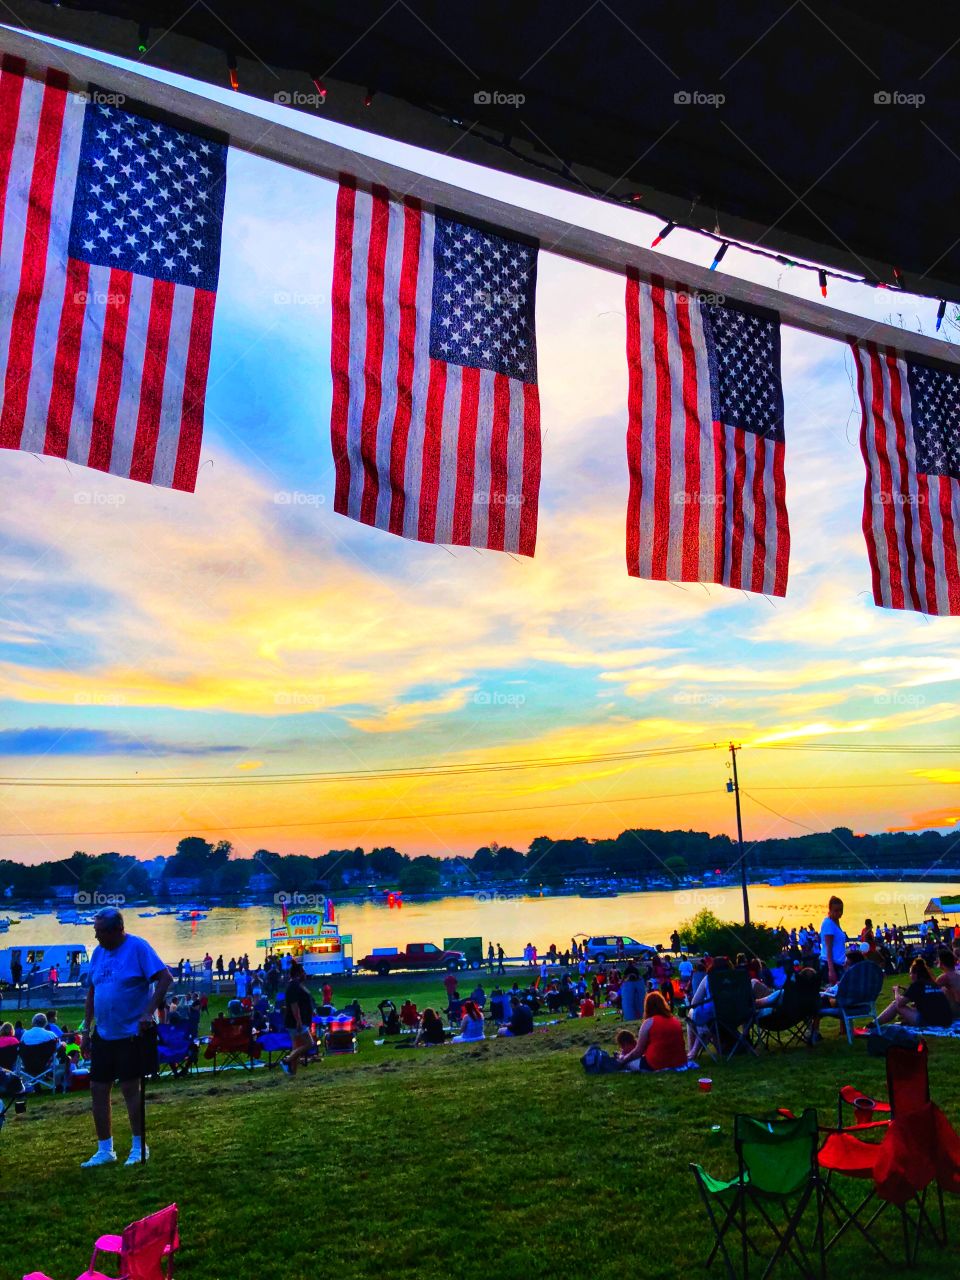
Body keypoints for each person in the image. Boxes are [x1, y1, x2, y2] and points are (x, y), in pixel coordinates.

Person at [80, 908, 172, 1167]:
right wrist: (86, 1029)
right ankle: (105, 1149)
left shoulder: (138, 948)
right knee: (98, 1088)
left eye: (99, 931)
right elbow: (92, 992)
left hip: (132, 1033)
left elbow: (165, 977)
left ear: (115, 930)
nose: (95, 936)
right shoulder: (98, 953)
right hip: (104, 1033)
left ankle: (138, 1145)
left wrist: (148, 1012)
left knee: (131, 1088)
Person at [618, 992, 687, 1071]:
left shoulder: (649, 1023)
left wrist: (624, 1060)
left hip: (657, 1063)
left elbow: (638, 1051)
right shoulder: (675, 1021)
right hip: (679, 1061)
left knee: (629, 1064)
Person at [877, 959, 954, 1028]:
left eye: (910, 973)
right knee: (912, 1008)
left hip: (930, 1022)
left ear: (915, 974)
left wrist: (896, 991)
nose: (910, 976)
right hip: (946, 1020)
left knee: (895, 1004)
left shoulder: (917, 985)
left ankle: (874, 1024)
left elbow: (899, 1003)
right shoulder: (933, 984)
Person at [280, 962, 315, 1076]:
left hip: (299, 1021)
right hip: (296, 1022)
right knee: (309, 1044)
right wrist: (299, 1021)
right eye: (303, 972)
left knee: (297, 1046)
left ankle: (292, 1072)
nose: (305, 974)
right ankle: (287, 1061)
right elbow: (294, 1005)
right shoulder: (294, 986)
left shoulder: (296, 985)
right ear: (298, 973)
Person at [820, 896, 848, 985]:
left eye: (841, 910)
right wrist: (831, 970)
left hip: (839, 964)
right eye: (836, 910)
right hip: (832, 965)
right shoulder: (828, 923)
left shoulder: (835, 922)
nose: (839, 913)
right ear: (830, 910)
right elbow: (829, 949)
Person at [935, 948, 960, 1019]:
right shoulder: (958, 972)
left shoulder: (944, 977)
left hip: (956, 1012)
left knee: (941, 990)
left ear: (941, 963)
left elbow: (930, 993)